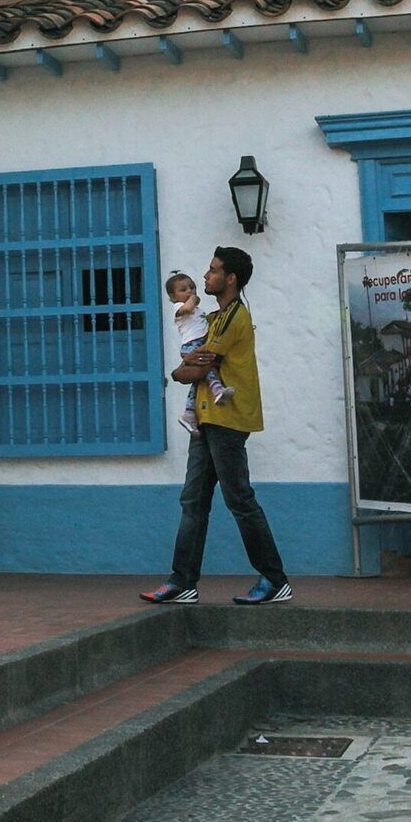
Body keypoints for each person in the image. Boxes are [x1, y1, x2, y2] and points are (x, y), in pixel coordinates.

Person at [145, 245, 292, 607]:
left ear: (231, 279)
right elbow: (194, 359)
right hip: (207, 417)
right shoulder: (214, 318)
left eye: (212, 271)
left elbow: (194, 367)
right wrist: (188, 365)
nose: (205, 276)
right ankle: (182, 582)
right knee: (193, 500)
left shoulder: (233, 318)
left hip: (227, 419)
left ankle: (275, 580)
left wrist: (180, 371)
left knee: (239, 499)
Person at [162, 269, 206, 449]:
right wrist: (194, 299)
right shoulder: (178, 308)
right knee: (208, 370)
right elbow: (187, 307)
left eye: (192, 288)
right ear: (173, 297)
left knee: (200, 380)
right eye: (183, 289)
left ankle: (189, 412)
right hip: (192, 345)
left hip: (199, 342)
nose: (190, 291)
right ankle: (216, 391)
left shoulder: (196, 310)